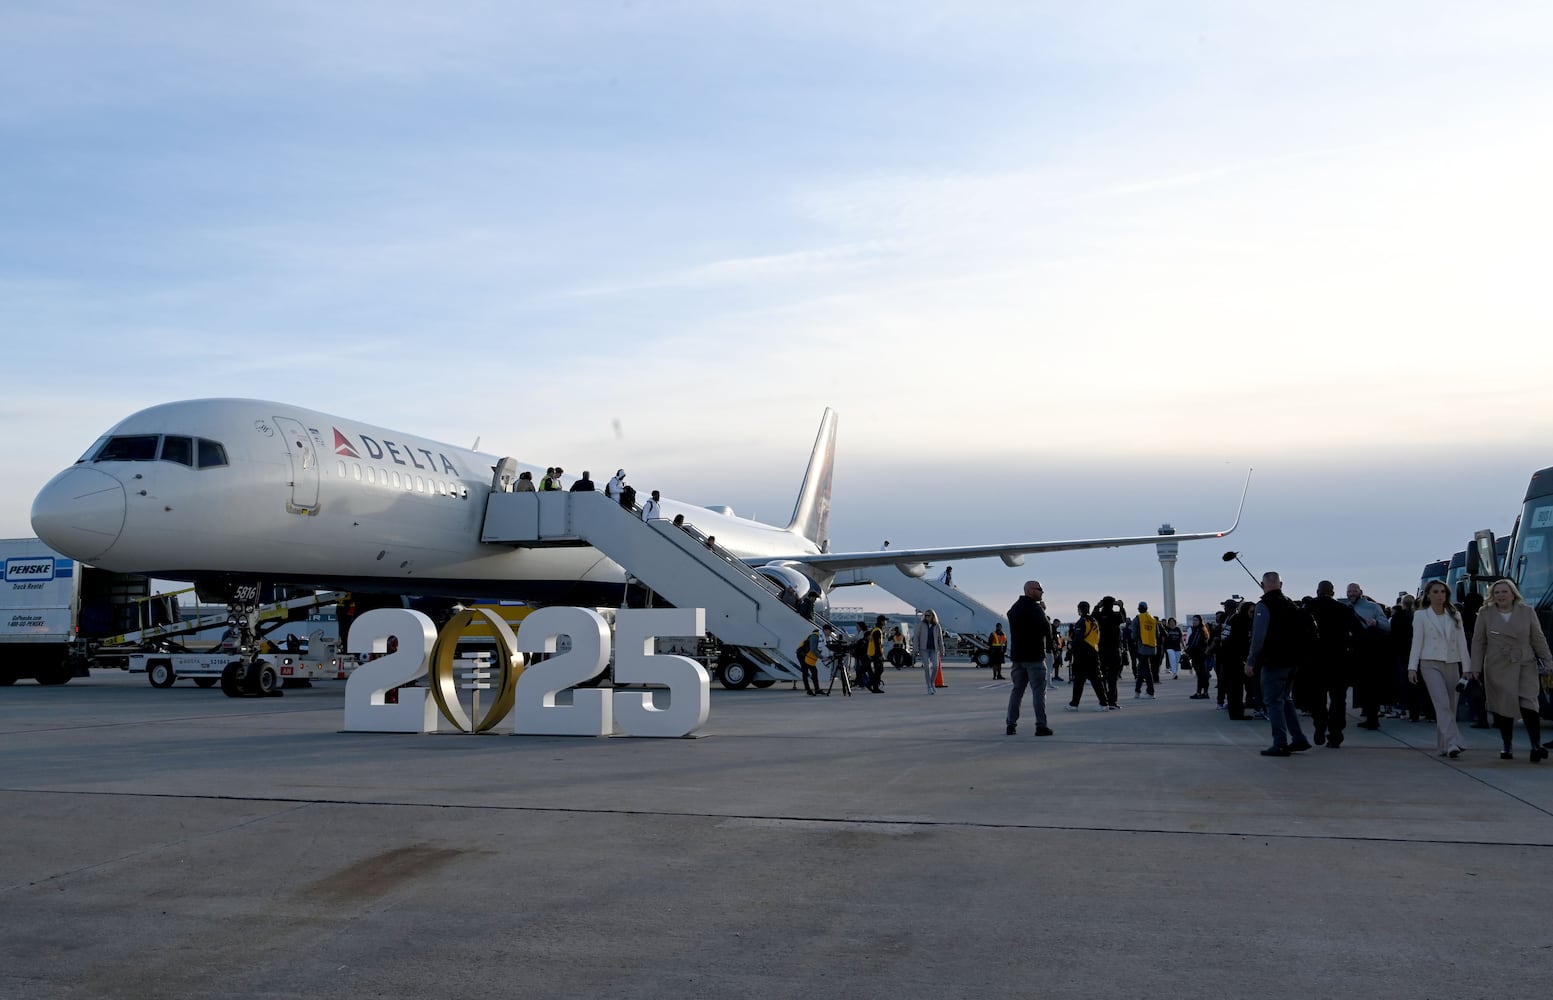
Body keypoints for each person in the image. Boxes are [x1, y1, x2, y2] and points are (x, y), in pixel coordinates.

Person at [1468, 579, 1552, 762]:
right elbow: (1478, 641)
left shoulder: (1527, 611)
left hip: (1524, 663)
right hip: (1498, 665)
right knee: (1504, 705)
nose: (1500, 596)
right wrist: (1474, 667)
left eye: (1504, 592)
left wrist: (1547, 662)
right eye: (1496, 592)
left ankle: (1535, 745)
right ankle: (1507, 745)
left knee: (1529, 703)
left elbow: (1538, 638)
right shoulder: (1485, 613)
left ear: (1513, 593)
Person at [1245, 571, 1313, 757]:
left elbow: (1258, 637)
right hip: (1292, 661)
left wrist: (1251, 661)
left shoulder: (1264, 605)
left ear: (1262, 584)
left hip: (1273, 662)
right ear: (1281, 585)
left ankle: (1280, 743)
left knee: (1273, 702)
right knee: (1286, 700)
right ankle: (1298, 738)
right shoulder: (1291, 604)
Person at [1407, 581, 1471, 758]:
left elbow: (1462, 643)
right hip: (1429, 663)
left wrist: (1467, 668)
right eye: (1435, 592)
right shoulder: (1421, 616)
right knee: (1441, 703)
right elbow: (1416, 642)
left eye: (1443, 592)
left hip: (1452, 663)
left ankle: (1444, 746)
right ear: (1428, 595)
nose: (1440, 595)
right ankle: (1454, 741)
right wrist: (1412, 668)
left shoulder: (1455, 614)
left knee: (1450, 706)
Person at [1302, 581, 1364, 748]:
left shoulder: (1308, 608)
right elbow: (1359, 633)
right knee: (1338, 699)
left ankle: (1320, 726)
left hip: (1315, 661)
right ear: (1333, 592)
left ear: (1317, 591)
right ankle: (1335, 734)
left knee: (1317, 698)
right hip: (1339, 660)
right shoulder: (1344, 609)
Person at [1342, 582, 1392, 730]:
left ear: (1360, 592)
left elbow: (1387, 626)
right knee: (1361, 685)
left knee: (1371, 684)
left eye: (1354, 591)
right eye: (1349, 591)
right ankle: (1369, 714)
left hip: (1371, 651)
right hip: (1355, 651)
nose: (1351, 594)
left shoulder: (1373, 607)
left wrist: (1376, 623)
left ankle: (1372, 717)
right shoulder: (1346, 608)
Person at [1005, 581, 1052, 734]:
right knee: (1038, 692)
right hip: (1034, 657)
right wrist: (1042, 611)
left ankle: (1011, 725)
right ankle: (1041, 725)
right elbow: (1046, 628)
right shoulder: (1035, 608)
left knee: (1017, 691)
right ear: (1031, 591)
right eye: (1039, 589)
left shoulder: (1015, 609)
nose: (1042, 592)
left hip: (1018, 657)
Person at [1064, 602, 1107, 711]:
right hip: (1094, 651)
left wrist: (1070, 645)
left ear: (1080, 610)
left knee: (1079, 680)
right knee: (1096, 679)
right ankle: (1104, 703)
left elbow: (1078, 638)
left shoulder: (1081, 622)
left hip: (1082, 654)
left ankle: (1074, 704)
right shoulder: (1094, 621)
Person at [1093, 595, 1126, 710]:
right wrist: (1121, 606)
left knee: (1101, 677)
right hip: (1114, 650)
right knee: (1113, 678)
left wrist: (1098, 605)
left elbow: (1093, 615)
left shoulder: (1098, 616)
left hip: (1101, 650)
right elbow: (1124, 618)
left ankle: (1103, 701)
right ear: (1113, 604)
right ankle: (1113, 702)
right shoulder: (1116, 616)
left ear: (1103, 604)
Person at [913, 610, 945, 694]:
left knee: (935, 666)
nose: (927, 617)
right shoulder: (921, 625)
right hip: (924, 649)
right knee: (926, 667)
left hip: (934, 649)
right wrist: (916, 649)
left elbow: (940, 639)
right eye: (926, 615)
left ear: (933, 616)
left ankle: (932, 683)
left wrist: (942, 650)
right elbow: (916, 637)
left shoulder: (937, 626)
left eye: (929, 615)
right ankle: (929, 686)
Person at [1132, 601, 1158, 699]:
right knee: (1142, 668)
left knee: (1146, 670)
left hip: (1142, 647)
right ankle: (1137, 691)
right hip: (1152, 647)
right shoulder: (1152, 619)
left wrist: (1133, 641)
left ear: (1139, 609)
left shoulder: (1138, 619)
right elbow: (1157, 633)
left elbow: (1134, 634)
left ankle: (1150, 691)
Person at [1183, 614, 1212, 699]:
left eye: (1196, 620)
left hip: (1198, 655)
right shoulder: (1202, 630)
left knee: (1201, 675)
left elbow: (1194, 643)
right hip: (1201, 655)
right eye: (1193, 620)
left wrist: (1187, 651)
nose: (1194, 622)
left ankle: (1200, 692)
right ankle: (1203, 692)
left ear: (1200, 621)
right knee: (1202, 674)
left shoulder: (1199, 630)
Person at [798, 629, 825, 697]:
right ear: (826, 630)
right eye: (830, 631)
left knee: (814, 671)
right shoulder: (814, 636)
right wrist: (822, 657)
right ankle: (808, 690)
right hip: (802, 655)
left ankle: (817, 689)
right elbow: (813, 649)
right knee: (805, 672)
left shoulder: (821, 637)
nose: (830, 633)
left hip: (807, 655)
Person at [867, 615, 887, 692]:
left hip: (873, 653)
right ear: (882, 621)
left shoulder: (876, 629)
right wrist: (880, 655)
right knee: (879, 670)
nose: (886, 622)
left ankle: (872, 685)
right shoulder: (877, 631)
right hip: (876, 653)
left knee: (878, 670)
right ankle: (873, 686)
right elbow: (877, 644)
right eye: (885, 620)